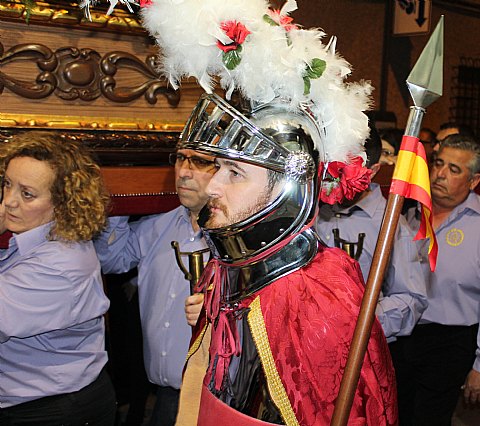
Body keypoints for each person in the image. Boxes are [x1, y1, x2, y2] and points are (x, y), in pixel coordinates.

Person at [129, 0, 398, 424]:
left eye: (234, 172)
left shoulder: (317, 297)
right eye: (216, 168)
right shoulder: (233, 263)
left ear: (286, 188)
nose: (212, 185)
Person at [393, 135, 480, 426]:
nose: (440, 174)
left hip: (451, 340)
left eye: (454, 169)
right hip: (401, 332)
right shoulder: (407, 211)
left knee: (429, 418)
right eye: (438, 164)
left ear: (474, 181)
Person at [94, 144, 215, 425]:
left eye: (199, 162)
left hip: (214, 398)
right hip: (165, 395)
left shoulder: (240, 235)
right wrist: (122, 199)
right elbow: (113, 260)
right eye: (181, 159)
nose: (184, 172)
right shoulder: (158, 225)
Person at [0, 131, 115, 425]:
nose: (8, 202)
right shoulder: (36, 237)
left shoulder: (60, 263)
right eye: (7, 184)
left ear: (62, 203)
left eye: (27, 194)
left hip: (51, 410)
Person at [315, 125, 428, 342]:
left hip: (361, 351)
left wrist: (359, 321)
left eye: (346, 169)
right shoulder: (310, 211)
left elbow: (411, 299)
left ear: (373, 171)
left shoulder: (391, 224)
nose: (334, 178)